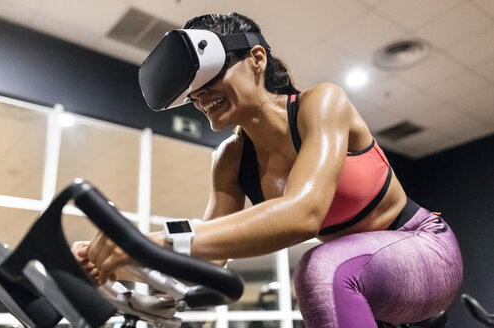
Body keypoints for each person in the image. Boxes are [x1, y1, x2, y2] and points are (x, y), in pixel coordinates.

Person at [74, 13, 463, 328]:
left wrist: (152, 243)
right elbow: (207, 263)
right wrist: (124, 263)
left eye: (209, 76)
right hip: (366, 279)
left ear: (257, 59)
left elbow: (303, 214)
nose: (198, 96)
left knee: (319, 270)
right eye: (191, 91)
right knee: (326, 269)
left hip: (424, 247)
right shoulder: (230, 160)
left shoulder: (321, 104)